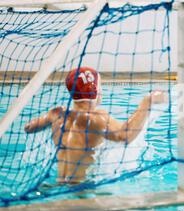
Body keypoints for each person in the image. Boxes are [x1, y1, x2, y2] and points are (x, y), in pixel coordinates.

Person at [24, 67, 167, 184]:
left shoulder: (56, 114)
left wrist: (42, 121)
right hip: (81, 191)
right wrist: (147, 102)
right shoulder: (96, 119)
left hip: (55, 185)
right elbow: (126, 135)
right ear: (96, 91)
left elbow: (29, 128)